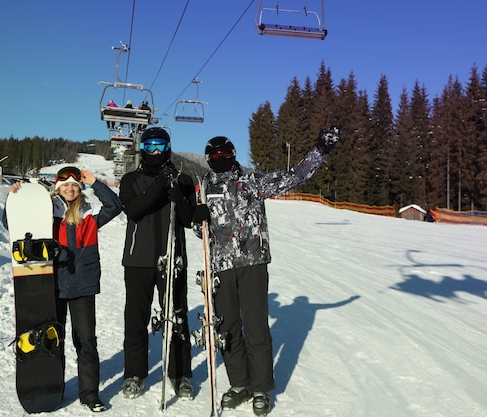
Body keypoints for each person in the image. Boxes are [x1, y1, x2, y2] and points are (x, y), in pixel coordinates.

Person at [192, 127, 340, 416]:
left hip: (252, 262)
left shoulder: (251, 181)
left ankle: (260, 388)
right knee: (227, 326)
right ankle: (239, 384)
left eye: (224, 153)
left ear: (233, 156)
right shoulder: (204, 186)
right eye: (214, 154)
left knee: (256, 325)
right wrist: (197, 221)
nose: (219, 158)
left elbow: (295, 176)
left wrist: (320, 150)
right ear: (208, 158)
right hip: (220, 266)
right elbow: (202, 233)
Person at [7, 166, 122, 413]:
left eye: (75, 185)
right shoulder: (46, 212)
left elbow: (115, 206)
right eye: (65, 185)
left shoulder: (89, 214)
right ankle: (54, 387)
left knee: (86, 342)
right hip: (52, 285)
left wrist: (94, 182)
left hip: (82, 286)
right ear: (58, 187)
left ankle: (90, 395)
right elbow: (13, 222)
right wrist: (14, 197)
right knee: (52, 340)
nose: (70, 189)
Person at [119, 126, 197, 400]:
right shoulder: (131, 179)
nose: (155, 151)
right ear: (142, 148)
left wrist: (181, 200)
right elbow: (134, 209)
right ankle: (134, 374)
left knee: (176, 315)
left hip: (172, 257)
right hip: (139, 259)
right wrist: (160, 186)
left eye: (160, 146)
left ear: (168, 148)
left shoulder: (183, 180)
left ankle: (180, 373)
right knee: (136, 318)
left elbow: (189, 221)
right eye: (150, 146)